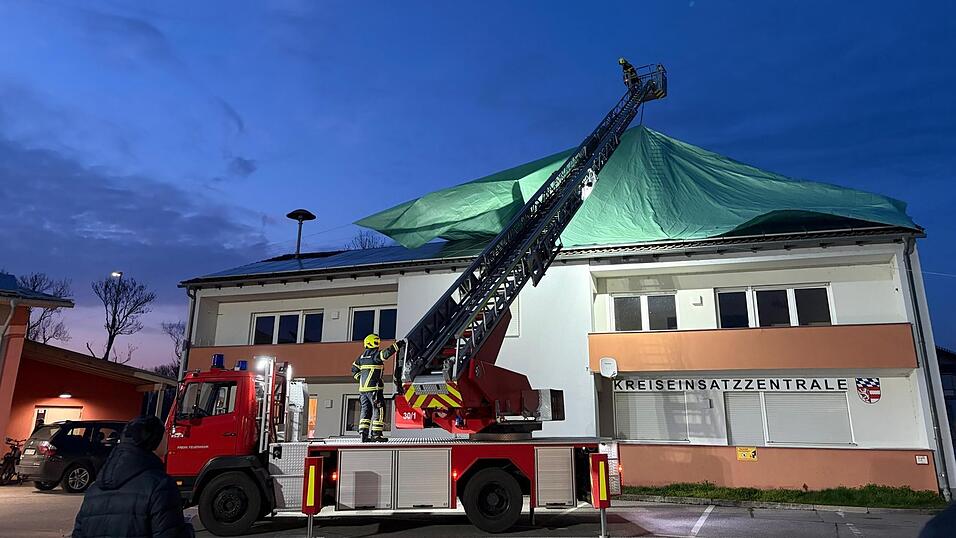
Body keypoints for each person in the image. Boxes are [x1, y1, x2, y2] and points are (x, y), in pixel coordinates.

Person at [72, 416, 194, 538]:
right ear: (156, 441)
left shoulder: (95, 489)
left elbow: (78, 533)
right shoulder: (161, 486)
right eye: (165, 434)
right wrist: (187, 530)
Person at [352, 334, 404, 442]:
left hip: (363, 391)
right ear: (370, 343)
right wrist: (398, 345)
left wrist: (361, 379)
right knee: (379, 409)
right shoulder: (374, 355)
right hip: (374, 390)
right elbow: (386, 353)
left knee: (365, 410)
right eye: (376, 342)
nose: (377, 344)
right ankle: (376, 434)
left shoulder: (361, 357)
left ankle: (363, 433)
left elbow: (354, 370)